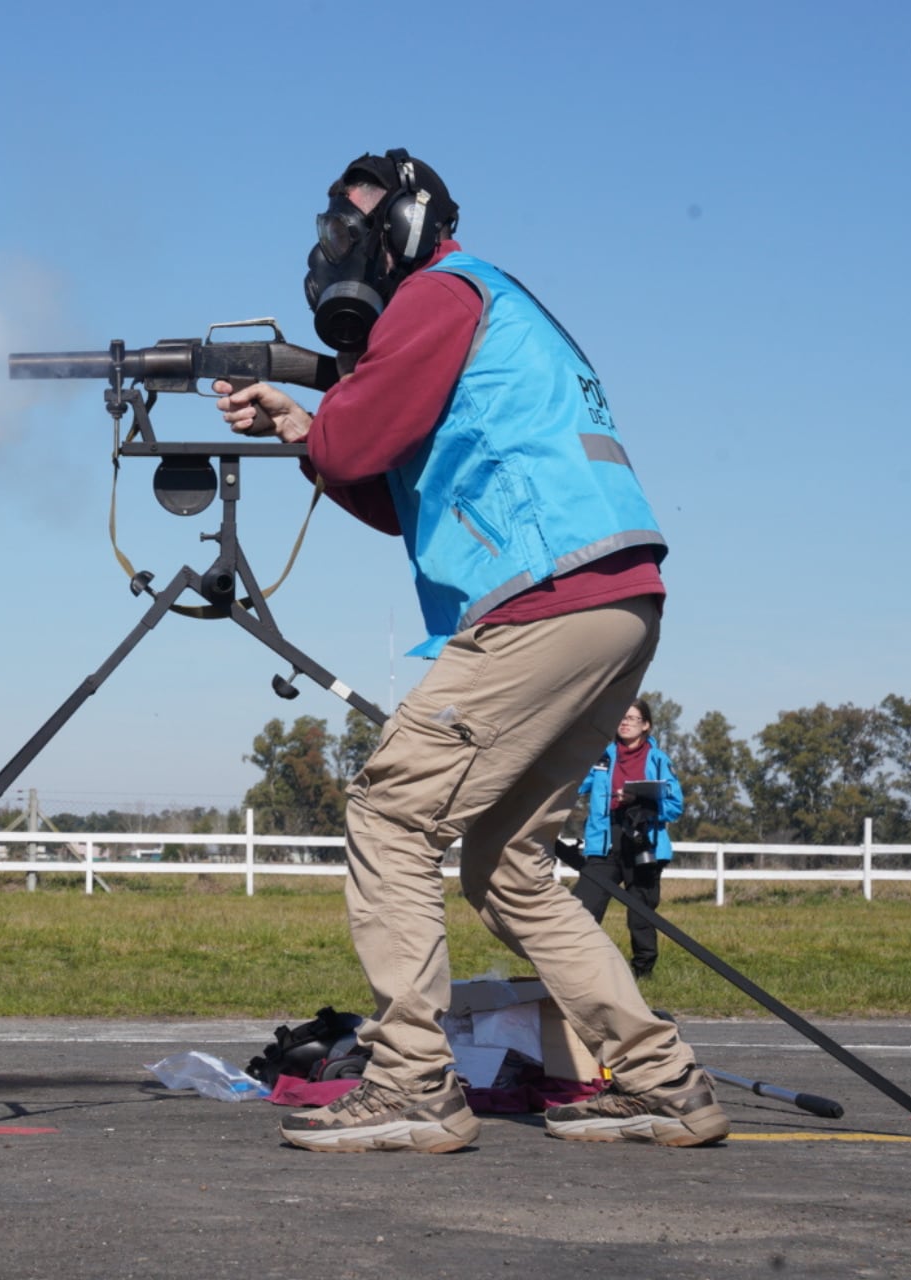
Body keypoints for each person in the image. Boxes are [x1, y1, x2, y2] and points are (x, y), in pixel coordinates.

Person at [214, 148, 726, 1152]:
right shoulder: (478, 301)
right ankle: (666, 1081)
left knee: (391, 809)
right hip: (611, 595)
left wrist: (310, 418)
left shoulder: (436, 294)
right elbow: (381, 482)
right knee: (506, 865)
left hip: (543, 596)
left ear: (404, 226)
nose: (340, 245)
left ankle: (411, 1082)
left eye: (355, 222)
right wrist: (301, 428)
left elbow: (354, 442)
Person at [575, 699, 685, 979]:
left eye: (632, 718)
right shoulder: (603, 757)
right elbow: (574, 786)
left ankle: (643, 972)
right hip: (605, 841)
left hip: (642, 842)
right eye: (620, 717)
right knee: (582, 908)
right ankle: (582, 969)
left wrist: (641, 801)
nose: (624, 723)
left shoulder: (659, 760)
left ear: (646, 725)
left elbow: (675, 806)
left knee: (641, 915)